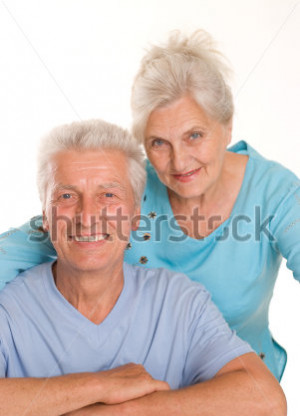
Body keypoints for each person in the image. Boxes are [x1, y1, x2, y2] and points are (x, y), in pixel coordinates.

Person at [0, 31, 299, 381]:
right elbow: (51, 231)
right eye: (159, 142)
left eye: (194, 135)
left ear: (227, 126)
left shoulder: (275, 194)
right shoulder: (124, 188)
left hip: (232, 393)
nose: (179, 161)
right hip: (139, 386)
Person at [0, 120, 286, 416]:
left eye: (108, 194)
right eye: (67, 196)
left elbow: (266, 402)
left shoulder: (179, 302)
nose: (87, 216)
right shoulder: (9, 309)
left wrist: (120, 413)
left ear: (135, 215)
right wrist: (100, 385)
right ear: (45, 214)